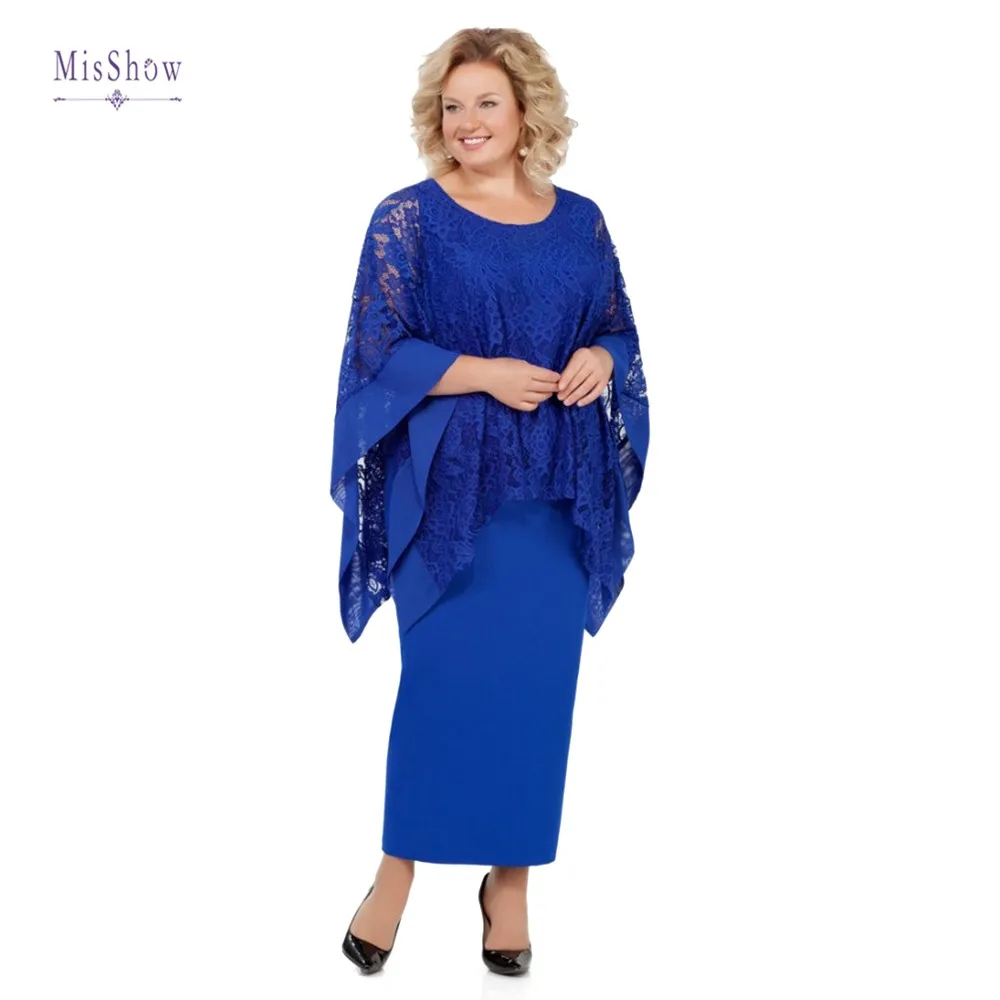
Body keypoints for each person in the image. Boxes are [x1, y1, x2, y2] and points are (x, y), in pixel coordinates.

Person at [330, 27, 650, 977]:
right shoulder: (408, 220)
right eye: (452, 106)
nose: (466, 122)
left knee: (537, 696)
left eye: (486, 104)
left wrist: (600, 360)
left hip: (556, 490)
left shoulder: (581, 222)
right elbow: (376, 352)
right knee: (438, 687)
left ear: (525, 114)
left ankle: (510, 885)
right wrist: (483, 372)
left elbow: (619, 331)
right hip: (451, 492)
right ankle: (395, 874)